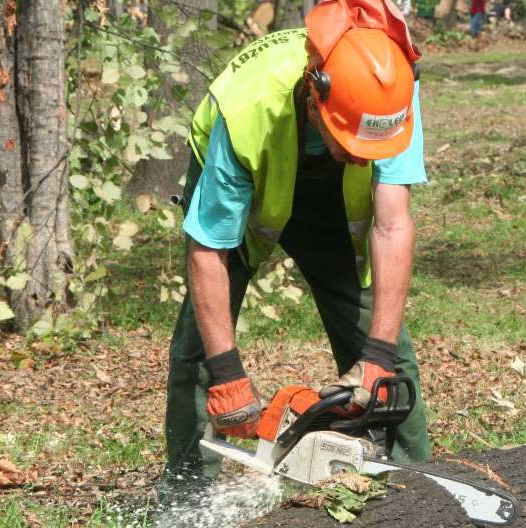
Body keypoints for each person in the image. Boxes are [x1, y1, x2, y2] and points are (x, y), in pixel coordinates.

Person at [161, 0, 432, 498]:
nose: (359, 157)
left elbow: (393, 225)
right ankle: (184, 497)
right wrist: (227, 374)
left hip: (329, 198)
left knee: (388, 352)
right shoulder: (248, 108)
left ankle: (414, 487)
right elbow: (209, 247)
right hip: (246, 179)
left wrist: (377, 356)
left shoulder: (391, 95)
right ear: (314, 98)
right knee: (200, 350)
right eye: (349, 142)